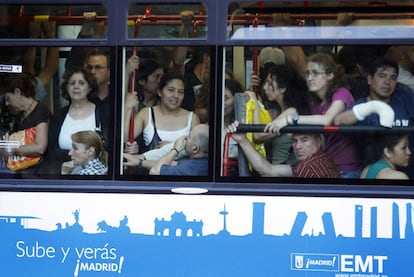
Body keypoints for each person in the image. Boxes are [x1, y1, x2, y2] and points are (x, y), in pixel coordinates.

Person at [265, 52, 361, 177]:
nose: (310, 78)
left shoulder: (341, 93)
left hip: (347, 168)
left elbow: (327, 120)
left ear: (330, 75)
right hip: (324, 165)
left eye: (315, 73)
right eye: (308, 73)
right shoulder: (315, 102)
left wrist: (289, 119)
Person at [334, 57, 414, 178]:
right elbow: (338, 120)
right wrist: (372, 107)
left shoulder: (403, 96)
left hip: (409, 167)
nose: (387, 82)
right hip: (377, 172)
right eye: (382, 76)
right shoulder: (362, 106)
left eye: (393, 77)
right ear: (370, 79)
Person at [46, 67, 107, 173]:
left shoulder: (102, 113)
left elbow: (108, 146)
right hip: (63, 173)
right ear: (67, 88)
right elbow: (51, 150)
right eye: (72, 83)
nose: (76, 87)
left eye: (81, 83)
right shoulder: (59, 115)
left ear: (89, 88)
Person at [124, 71, 200, 156]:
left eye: (181, 92)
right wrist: (128, 107)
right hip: (150, 168)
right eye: (171, 90)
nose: (176, 95)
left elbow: (198, 150)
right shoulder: (147, 114)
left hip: (182, 169)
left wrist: (171, 147)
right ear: (160, 92)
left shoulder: (192, 118)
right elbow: (124, 138)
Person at [227, 121, 339, 178]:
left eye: (304, 140)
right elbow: (268, 170)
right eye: (295, 141)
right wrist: (242, 139)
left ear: (318, 141)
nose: (298, 146)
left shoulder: (308, 166)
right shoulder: (319, 158)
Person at [246, 64, 309, 165]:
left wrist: (254, 100)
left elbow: (258, 135)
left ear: (283, 88)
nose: (265, 87)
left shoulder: (291, 112)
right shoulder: (280, 111)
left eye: (269, 83)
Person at [0, 73, 51, 173]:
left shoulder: (41, 111)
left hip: (39, 173)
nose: (6, 103)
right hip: (23, 170)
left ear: (17, 92)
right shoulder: (20, 116)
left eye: (8, 98)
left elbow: (40, 147)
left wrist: (11, 148)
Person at [123, 123, 209, 176]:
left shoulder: (187, 169)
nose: (185, 138)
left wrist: (176, 149)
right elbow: (171, 164)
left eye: (189, 137)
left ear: (195, 149)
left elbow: (155, 171)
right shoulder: (200, 163)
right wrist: (139, 162)